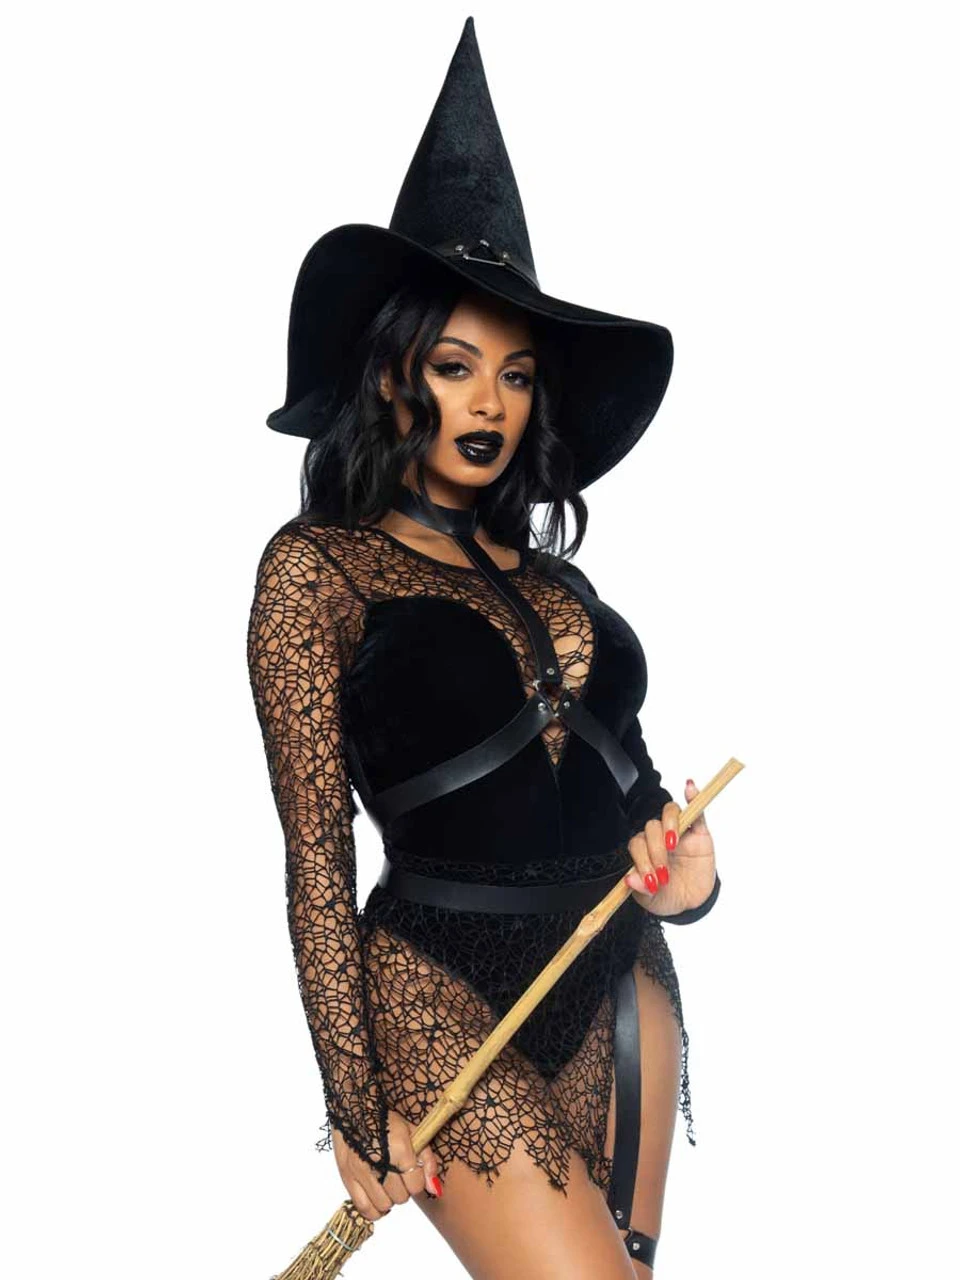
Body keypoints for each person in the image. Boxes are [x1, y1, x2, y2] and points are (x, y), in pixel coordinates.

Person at [247, 18, 720, 1278]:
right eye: (455, 366)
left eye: (514, 376)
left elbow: (631, 788)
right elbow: (314, 855)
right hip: (435, 988)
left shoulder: (557, 581)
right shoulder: (318, 569)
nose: (489, 404)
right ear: (389, 374)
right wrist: (353, 1098)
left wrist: (689, 879)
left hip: (616, 969)